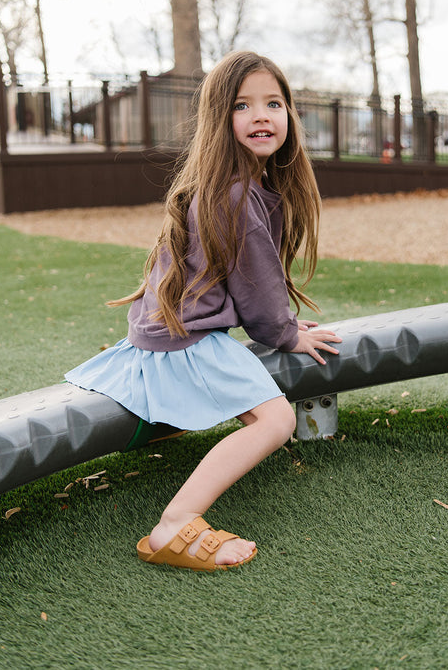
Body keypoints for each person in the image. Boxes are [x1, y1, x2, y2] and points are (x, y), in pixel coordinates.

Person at [65, 51, 341, 571]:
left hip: (168, 335)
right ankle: (175, 522)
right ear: (221, 119)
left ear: (289, 115)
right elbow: (257, 296)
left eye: (273, 103)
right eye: (243, 105)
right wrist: (285, 335)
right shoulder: (235, 196)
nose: (262, 115)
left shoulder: (236, 186)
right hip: (183, 344)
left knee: (262, 407)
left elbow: (249, 287)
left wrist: (279, 322)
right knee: (275, 419)